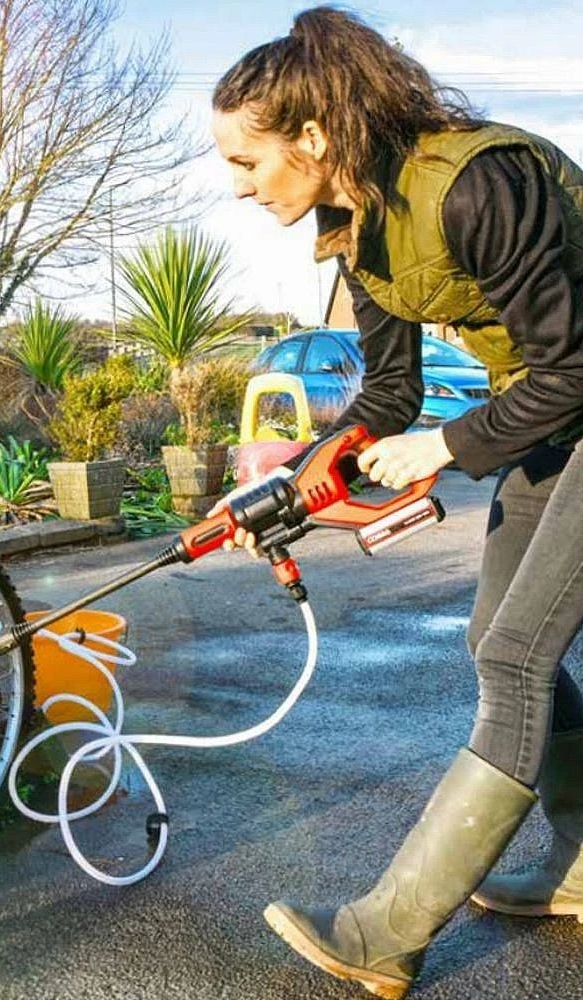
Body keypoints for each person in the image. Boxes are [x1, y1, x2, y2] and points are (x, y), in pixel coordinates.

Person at [210, 6, 583, 998]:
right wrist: (283, 492)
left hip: (573, 391)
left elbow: (572, 366)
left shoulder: (479, 183)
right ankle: (582, 861)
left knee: (515, 657)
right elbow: (388, 395)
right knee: (496, 639)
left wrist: (447, 448)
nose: (237, 186)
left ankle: (386, 932)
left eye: (246, 161)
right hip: (553, 411)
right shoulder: (358, 229)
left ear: (311, 136)